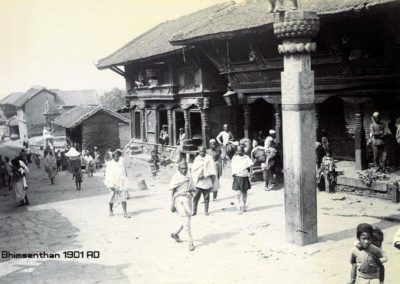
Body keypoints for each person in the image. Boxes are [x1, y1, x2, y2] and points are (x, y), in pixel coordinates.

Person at [169, 161, 196, 251]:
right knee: (186, 222)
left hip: (188, 200)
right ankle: (190, 242)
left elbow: (193, 189)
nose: (184, 170)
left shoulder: (189, 176)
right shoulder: (176, 177)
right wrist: (171, 204)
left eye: (185, 168)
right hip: (179, 200)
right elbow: (171, 191)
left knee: (186, 219)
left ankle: (176, 233)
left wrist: (191, 193)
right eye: (182, 168)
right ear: (179, 168)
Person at [191, 146, 219, 216]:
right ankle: (194, 211)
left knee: (206, 198)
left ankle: (206, 211)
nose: (201, 153)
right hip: (198, 182)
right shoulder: (197, 159)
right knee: (196, 197)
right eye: (200, 152)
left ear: (205, 151)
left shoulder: (209, 158)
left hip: (207, 181)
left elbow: (212, 170)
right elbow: (193, 170)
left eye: (203, 152)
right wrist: (198, 175)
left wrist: (206, 175)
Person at [104, 152, 131, 218]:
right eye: (116, 157)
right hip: (113, 184)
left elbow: (123, 174)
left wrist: (125, 183)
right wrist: (110, 185)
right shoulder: (110, 165)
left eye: (118, 157)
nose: (118, 158)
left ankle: (125, 212)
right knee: (111, 199)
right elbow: (107, 176)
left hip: (121, 184)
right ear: (113, 157)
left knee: (123, 199)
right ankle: (110, 210)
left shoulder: (120, 163)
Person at [231, 145, 254, 214]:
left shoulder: (246, 158)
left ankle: (244, 206)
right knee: (237, 193)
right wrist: (233, 174)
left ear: (243, 151)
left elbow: (251, 165)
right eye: (238, 152)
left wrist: (250, 173)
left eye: (241, 152)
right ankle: (239, 207)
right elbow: (232, 166)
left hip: (244, 177)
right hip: (237, 177)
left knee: (244, 193)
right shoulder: (234, 158)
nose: (239, 153)